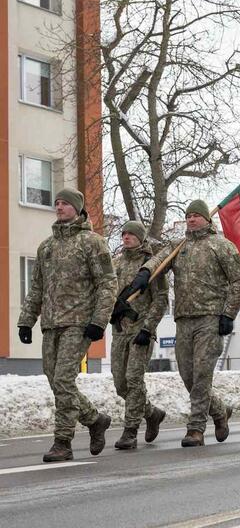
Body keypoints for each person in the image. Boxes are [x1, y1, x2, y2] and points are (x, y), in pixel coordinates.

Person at [132, 199, 240, 447]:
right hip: (183, 319)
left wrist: (228, 314)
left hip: (210, 318)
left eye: (196, 215)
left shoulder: (221, 246)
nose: (191, 219)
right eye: (188, 216)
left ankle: (195, 429)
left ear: (206, 218)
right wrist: (145, 272)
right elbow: (159, 260)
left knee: (202, 375)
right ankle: (219, 411)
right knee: (188, 376)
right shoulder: (179, 246)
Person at [18, 187, 116, 462]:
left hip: (79, 323)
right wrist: (26, 321)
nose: (59, 207)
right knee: (55, 380)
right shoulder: (46, 247)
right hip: (51, 323)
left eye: (65, 203)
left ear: (77, 208)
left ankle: (62, 442)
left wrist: (99, 321)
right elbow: (37, 287)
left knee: (63, 379)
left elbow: (108, 283)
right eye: (57, 203)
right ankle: (95, 419)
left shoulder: (92, 242)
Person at [109, 221, 169, 449]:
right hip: (119, 330)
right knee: (120, 383)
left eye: (131, 234)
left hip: (140, 330)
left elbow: (161, 299)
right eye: (124, 233)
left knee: (134, 379)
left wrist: (148, 327)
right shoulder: (116, 263)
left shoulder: (150, 266)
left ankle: (130, 431)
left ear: (141, 238)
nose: (126, 237)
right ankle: (152, 413)